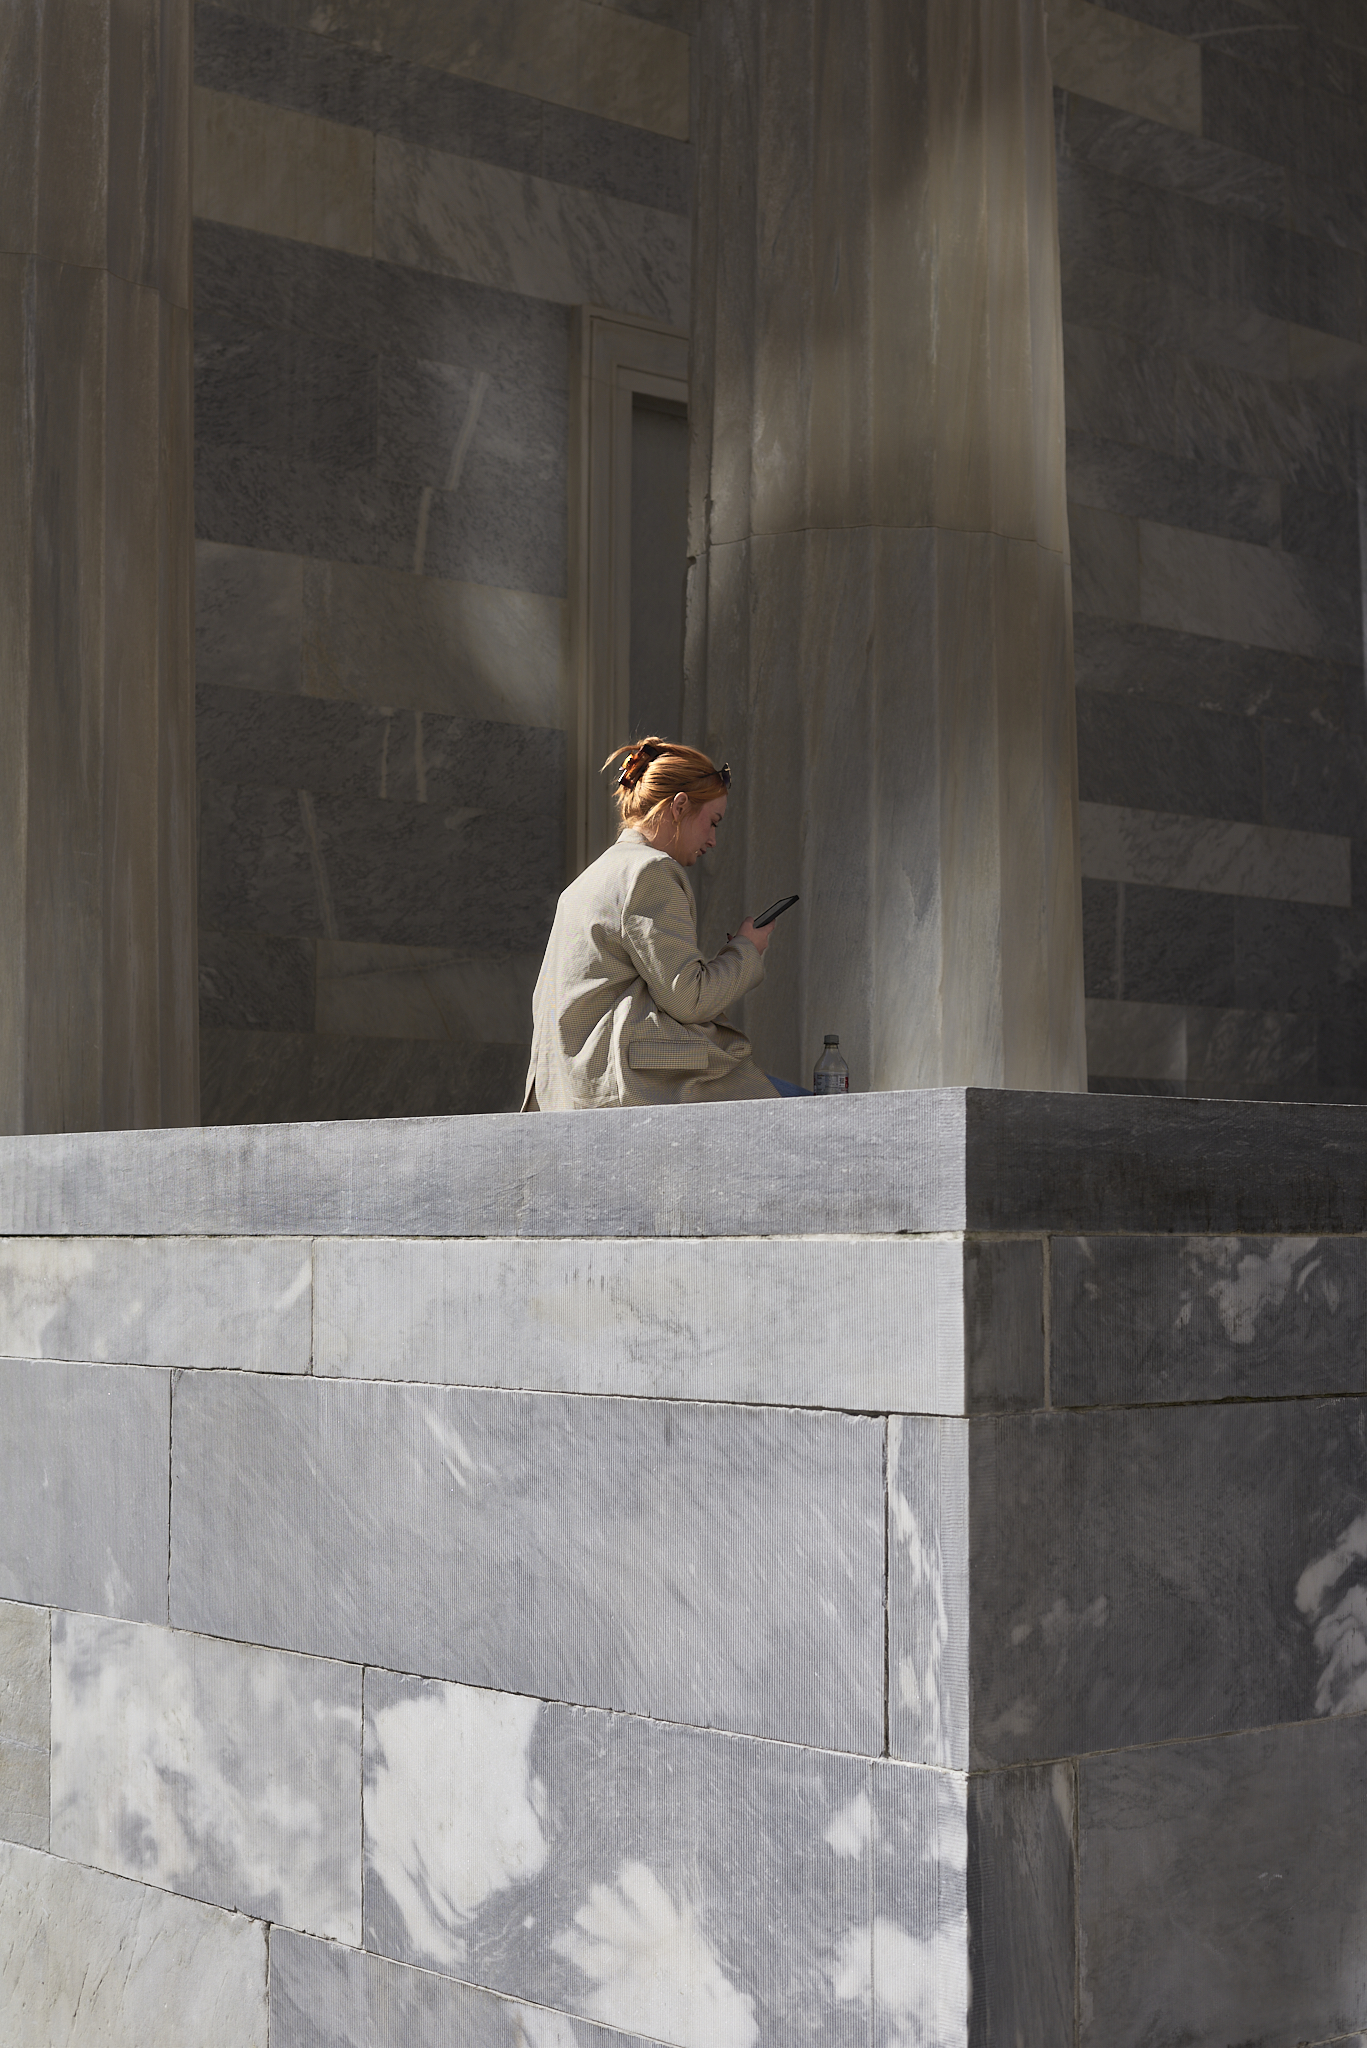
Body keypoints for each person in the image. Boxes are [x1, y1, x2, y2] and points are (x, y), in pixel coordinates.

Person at [522, 738, 780, 1109]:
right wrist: (746, 949)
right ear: (679, 806)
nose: (713, 839)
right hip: (628, 1093)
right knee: (814, 1117)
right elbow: (690, 999)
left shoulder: (588, 880)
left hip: (568, 1092)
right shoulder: (650, 871)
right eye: (712, 822)